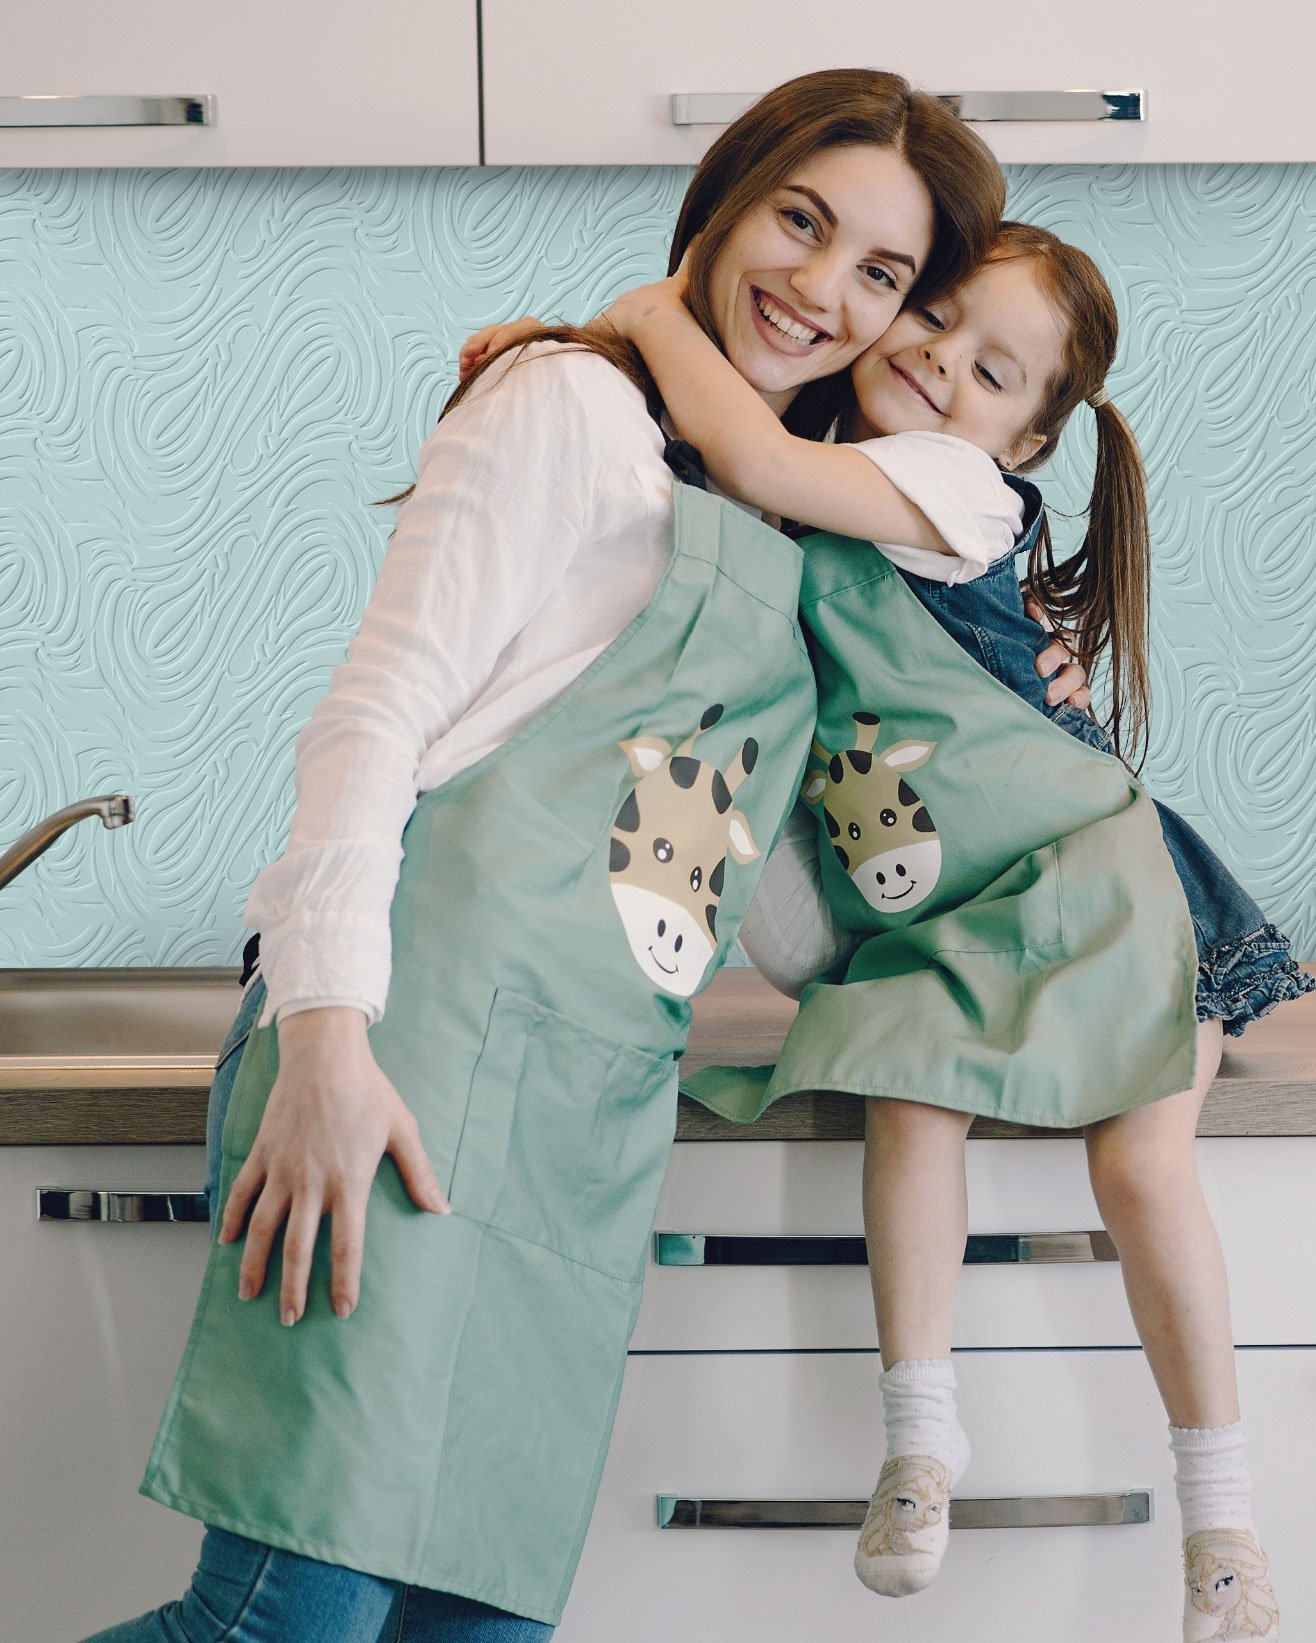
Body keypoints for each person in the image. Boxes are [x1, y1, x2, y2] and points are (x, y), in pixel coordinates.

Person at [81, 70, 1076, 1641]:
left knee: (477, 1632)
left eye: (881, 271)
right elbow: (374, 715)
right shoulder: (567, 403)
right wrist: (326, 1045)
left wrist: (1014, 763)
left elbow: (781, 912)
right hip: (403, 1059)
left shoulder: (797, 532)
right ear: (727, 201)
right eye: (800, 220)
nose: (823, 288)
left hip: (582, 1122)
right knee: (279, 1624)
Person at [589, 219, 1309, 1642]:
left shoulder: (950, 488)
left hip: (1103, 887)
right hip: (952, 931)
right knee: (906, 1101)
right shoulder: (801, 521)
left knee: (1143, 1166)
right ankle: (920, 1444)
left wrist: (647, 315)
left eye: (992, 371)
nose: (939, 362)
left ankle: (1223, 1523)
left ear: (1023, 443)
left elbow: (760, 458)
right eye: (935, 316)